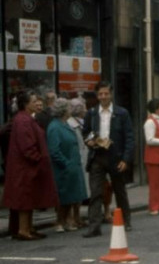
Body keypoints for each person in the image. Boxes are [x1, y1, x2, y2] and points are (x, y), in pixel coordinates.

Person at [2, 90, 59, 240]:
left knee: (30, 198)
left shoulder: (26, 119)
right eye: (33, 101)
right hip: (25, 168)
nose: (37, 103)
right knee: (25, 199)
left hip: (28, 167)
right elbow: (27, 146)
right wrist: (38, 159)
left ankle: (29, 227)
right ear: (26, 104)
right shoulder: (23, 121)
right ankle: (23, 230)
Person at [82, 81, 134, 237]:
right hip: (97, 156)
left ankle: (126, 221)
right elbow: (86, 133)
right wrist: (89, 141)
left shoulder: (122, 113)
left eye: (106, 93)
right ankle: (94, 227)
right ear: (97, 96)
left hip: (115, 156)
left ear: (111, 94)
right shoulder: (91, 114)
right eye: (100, 94)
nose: (103, 97)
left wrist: (125, 159)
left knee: (119, 191)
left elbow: (129, 138)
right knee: (96, 192)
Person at [46, 98, 87, 232]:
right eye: (68, 107)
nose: (71, 110)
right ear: (63, 110)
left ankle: (66, 221)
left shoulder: (65, 124)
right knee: (63, 196)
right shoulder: (55, 127)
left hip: (72, 165)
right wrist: (66, 163)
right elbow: (54, 150)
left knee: (70, 196)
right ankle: (60, 221)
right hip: (63, 168)